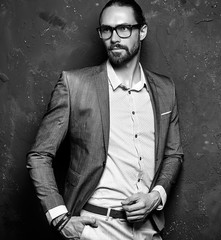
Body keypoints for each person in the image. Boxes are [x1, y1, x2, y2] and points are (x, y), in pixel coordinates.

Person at [26, 0, 184, 239]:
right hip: (95, 229)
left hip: (148, 230)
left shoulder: (164, 88)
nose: (114, 38)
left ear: (142, 31)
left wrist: (155, 197)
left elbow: (173, 154)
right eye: (107, 30)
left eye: (123, 28)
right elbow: (39, 156)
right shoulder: (75, 85)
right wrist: (59, 218)